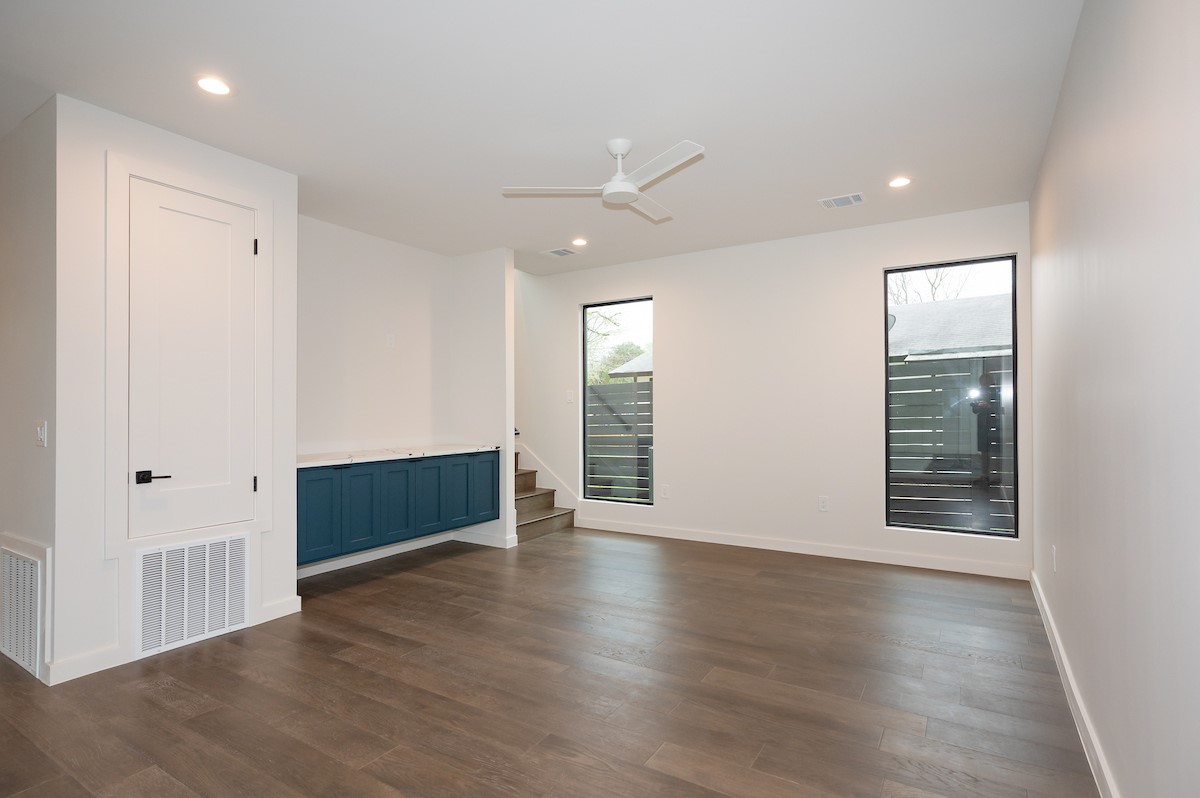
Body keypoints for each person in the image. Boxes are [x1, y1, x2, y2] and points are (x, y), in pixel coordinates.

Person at [970, 372, 1003, 486]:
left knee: (996, 451)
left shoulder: (998, 392)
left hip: (995, 425)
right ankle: (985, 476)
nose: (983, 383)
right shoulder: (979, 392)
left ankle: (998, 476)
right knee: (984, 452)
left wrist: (990, 406)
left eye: (985, 381)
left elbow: (1003, 409)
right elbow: (974, 410)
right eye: (981, 381)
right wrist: (977, 405)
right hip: (982, 426)